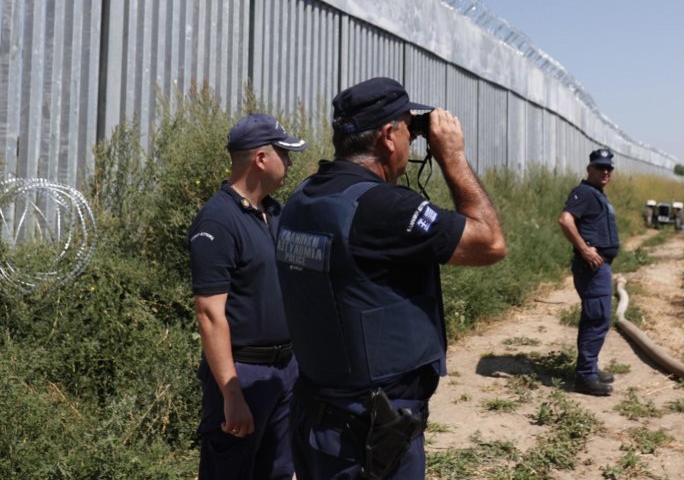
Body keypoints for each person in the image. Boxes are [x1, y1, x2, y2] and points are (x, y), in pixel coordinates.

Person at [275, 77, 507, 480]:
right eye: (407, 131)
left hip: (316, 420)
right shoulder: (384, 208)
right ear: (387, 135)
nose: (410, 144)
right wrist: (452, 156)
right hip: (371, 438)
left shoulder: (304, 198)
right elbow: (490, 243)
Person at [187, 113, 308, 480]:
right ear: (260, 158)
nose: (289, 162)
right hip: (244, 373)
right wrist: (231, 392)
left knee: (279, 470)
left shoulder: (274, 212)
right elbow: (210, 315)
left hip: (285, 371)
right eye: (284, 154)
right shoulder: (217, 221)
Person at [558, 147, 620, 397]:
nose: (605, 172)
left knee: (595, 317)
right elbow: (565, 220)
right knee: (597, 317)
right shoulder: (584, 192)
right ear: (589, 169)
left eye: (608, 168)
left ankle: (590, 368)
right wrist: (584, 250)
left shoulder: (596, 194)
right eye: (600, 167)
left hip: (599, 266)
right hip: (592, 267)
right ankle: (585, 376)